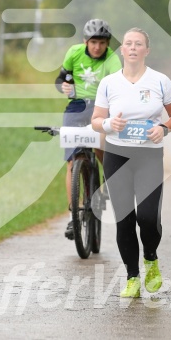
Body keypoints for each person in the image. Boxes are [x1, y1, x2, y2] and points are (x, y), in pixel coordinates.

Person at [91, 27, 171, 297]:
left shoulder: (160, 81)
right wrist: (109, 124)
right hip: (117, 155)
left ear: (146, 50)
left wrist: (164, 128)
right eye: (128, 43)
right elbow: (96, 121)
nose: (132, 47)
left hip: (148, 156)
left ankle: (151, 259)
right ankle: (132, 276)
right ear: (122, 50)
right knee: (124, 219)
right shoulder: (109, 83)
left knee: (147, 216)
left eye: (138, 44)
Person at [55, 18, 122, 240]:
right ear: (85, 41)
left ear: (107, 43)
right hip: (76, 107)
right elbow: (60, 79)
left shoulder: (112, 60)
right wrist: (63, 86)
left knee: (103, 150)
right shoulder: (74, 53)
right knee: (73, 162)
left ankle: (106, 185)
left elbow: (117, 88)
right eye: (93, 42)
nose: (97, 47)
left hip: (102, 108)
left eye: (102, 43)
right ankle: (74, 215)